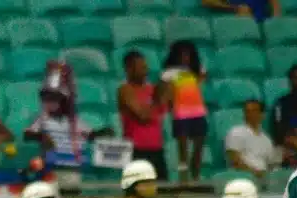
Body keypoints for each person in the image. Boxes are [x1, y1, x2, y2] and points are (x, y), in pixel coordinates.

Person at [160, 41, 208, 183]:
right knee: (183, 149)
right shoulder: (168, 73)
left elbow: (199, 84)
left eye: (188, 54)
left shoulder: (197, 70)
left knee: (199, 147)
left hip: (198, 112)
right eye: (182, 54)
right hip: (181, 113)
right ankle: (184, 178)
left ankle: (196, 175)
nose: (185, 57)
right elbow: (166, 93)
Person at [119, 51, 169, 180]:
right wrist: (157, 98)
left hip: (157, 149)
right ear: (129, 69)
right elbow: (142, 115)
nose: (145, 71)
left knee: (163, 192)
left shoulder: (152, 89)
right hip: (137, 150)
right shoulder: (125, 90)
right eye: (141, 68)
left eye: (145, 67)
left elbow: (164, 111)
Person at [225, 100, 281, 181]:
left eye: (254, 111)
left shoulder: (266, 139)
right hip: (242, 177)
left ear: (262, 115)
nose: (249, 114)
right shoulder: (235, 132)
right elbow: (234, 161)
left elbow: (271, 164)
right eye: (247, 111)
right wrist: (255, 173)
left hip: (264, 178)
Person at [202, 0, 281, 22]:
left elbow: (276, 6)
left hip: (261, 23)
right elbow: (207, 1)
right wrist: (235, 8)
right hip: (237, 23)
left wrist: (274, 22)